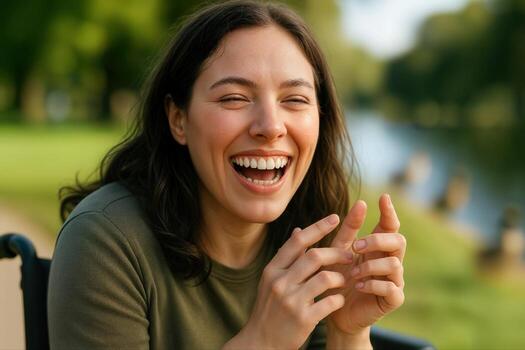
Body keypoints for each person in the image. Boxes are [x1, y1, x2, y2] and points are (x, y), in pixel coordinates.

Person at [47, 1, 406, 349]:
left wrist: (348, 334)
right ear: (178, 120)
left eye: (295, 99)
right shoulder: (108, 241)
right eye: (234, 98)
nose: (270, 127)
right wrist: (263, 343)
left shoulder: (314, 243)